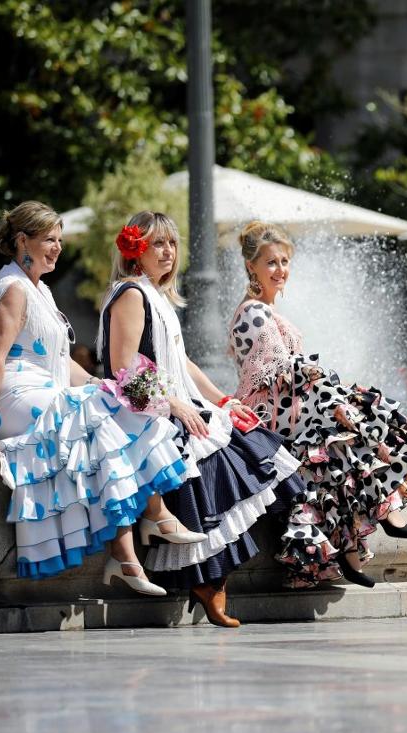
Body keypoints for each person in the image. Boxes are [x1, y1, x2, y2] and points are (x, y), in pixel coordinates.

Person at [0, 201, 199, 593]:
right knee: (101, 418)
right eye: (49, 239)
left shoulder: (38, 289)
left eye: (60, 239)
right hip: (16, 393)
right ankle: (145, 528)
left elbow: (63, 364)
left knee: (116, 405)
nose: (58, 247)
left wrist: (100, 384)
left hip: (48, 388)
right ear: (23, 241)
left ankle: (129, 550)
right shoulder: (13, 288)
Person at [98, 211, 305, 626]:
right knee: (223, 461)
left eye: (172, 244)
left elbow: (183, 362)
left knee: (257, 450)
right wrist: (176, 405)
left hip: (172, 402)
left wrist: (222, 399)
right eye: (158, 243)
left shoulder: (155, 295)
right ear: (136, 250)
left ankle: (224, 578)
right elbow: (123, 370)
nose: (168, 252)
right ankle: (211, 583)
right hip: (146, 410)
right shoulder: (133, 295)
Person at [227, 221, 407, 589]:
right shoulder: (254, 313)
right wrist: (334, 400)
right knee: (348, 434)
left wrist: (335, 398)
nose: (281, 270)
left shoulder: (268, 311)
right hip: (270, 417)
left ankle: (360, 542)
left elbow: (296, 372)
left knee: (354, 432)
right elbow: (284, 372)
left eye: (285, 261)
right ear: (251, 266)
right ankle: (375, 523)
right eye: (271, 262)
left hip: (290, 410)